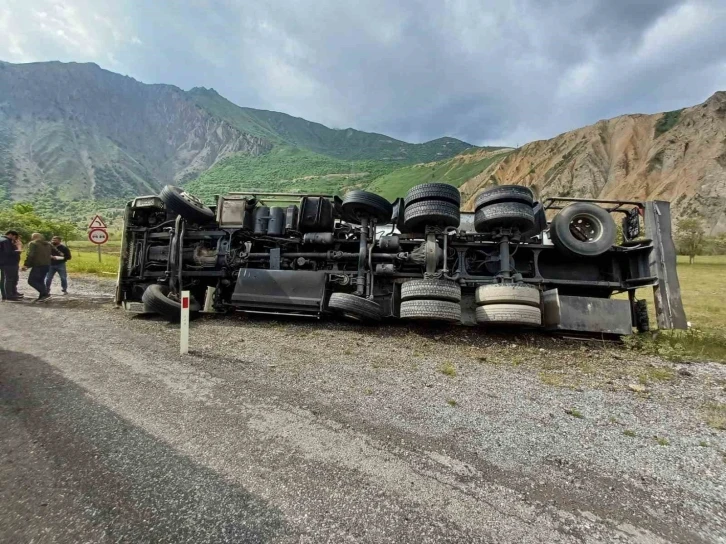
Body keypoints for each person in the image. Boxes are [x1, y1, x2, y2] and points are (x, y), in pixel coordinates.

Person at [22, 233, 53, 302]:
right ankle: (42, 296)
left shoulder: (33, 243)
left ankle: (45, 294)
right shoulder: (48, 244)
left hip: (38, 265)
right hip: (47, 265)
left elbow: (30, 255)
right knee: (40, 281)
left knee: (31, 281)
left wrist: (26, 264)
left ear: (34, 237)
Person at [0, 230, 24, 301]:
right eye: (15, 237)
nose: (15, 239)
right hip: (9, 263)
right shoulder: (6, 241)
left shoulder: (3, 240)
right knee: (9, 279)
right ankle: (9, 295)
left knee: (9, 279)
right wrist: (19, 248)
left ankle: (11, 294)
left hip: (5, 262)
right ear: (11, 235)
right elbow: (8, 252)